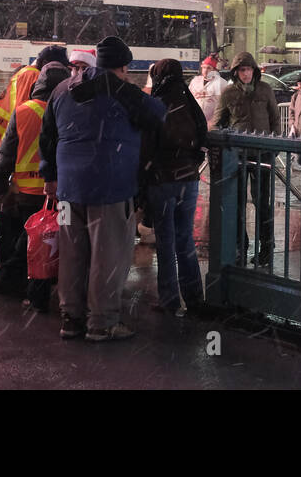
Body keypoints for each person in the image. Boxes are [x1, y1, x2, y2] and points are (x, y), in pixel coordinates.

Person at [39, 36, 165, 342]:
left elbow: (48, 136)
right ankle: (102, 322)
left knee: (72, 253)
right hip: (109, 187)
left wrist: (50, 176)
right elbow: (159, 114)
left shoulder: (62, 88)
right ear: (123, 67)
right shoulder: (123, 92)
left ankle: (71, 317)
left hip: (68, 189)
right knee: (107, 257)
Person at [0, 60, 70, 308]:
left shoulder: (23, 111)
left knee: (29, 242)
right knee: (55, 244)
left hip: (25, 193)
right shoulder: (67, 109)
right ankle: (44, 291)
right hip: (59, 193)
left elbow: (5, 153)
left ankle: (15, 284)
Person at [141, 58, 208, 317]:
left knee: (166, 242)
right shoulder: (190, 103)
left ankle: (169, 299)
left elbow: (146, 146)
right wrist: (191, 163)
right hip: (188, 180)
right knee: (185, 240)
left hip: (162, 180)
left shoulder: (155, 105)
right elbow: (202, 136)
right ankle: (194, 298)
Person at [213, 51, 279, 267]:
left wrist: (273, 148)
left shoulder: (265, 90)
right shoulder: (229, 93)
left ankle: (267, 247)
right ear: (236, 72)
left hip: (263, 155)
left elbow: (275, 120)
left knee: (263, 203)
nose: (246, 73)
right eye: (242, 70)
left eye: (249, 69)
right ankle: (241, 246)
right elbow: (219, 121)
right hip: (238, 156)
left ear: (254, 71)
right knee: (238, 203)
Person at [188, 55, 227, 126]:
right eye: (204, 67)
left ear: (214, 70)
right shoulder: (195, 81)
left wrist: (215, 121)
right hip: (194, 121)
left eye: (209, 68)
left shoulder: (221, 83)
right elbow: (188, 100)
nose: (205, 70)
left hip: (212, 124)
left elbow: (225, 106)